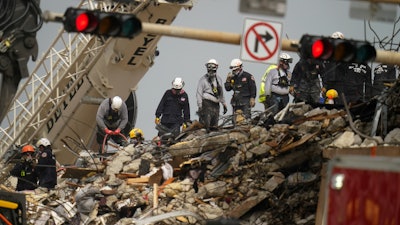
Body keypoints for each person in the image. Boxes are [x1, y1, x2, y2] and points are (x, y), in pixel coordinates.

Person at [196, 59, 228, 130]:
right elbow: (199, 94)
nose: (211, 70)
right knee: (205, 126)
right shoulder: (203, 80)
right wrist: (200, 106)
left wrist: (224, 104)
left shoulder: (219, 79)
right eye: (209, 68)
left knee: (214, 127)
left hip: (216, 105)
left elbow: (221, 93)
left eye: (212, 68)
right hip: (206, 104)